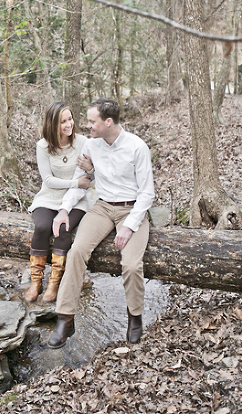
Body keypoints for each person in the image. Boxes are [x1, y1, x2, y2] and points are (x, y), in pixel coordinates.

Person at [47, 97, 154, 348]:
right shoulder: (92, 146)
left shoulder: (137, 147)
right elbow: (81, 182)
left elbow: (147, 194)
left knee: (130, 264)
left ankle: (135, 318)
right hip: (102, 207)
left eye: (92, 121)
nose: (88, 126)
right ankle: (65, 318)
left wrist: (129, 226)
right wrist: (64, 210)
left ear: (108, 121)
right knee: (76, 252)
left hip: (132, 209)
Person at [25, 101, 91, 304]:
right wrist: (75, 181)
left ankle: (54, 282)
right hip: (49, 196)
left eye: (70, 119)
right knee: (43, 226)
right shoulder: (43, 146)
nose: (68, 124)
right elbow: (48, 180)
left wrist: (85, 174)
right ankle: (36, 282)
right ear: (53, 124)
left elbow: (88, 177)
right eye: (63, 121)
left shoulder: (82, 143)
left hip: (77, 199)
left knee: (64, 229)